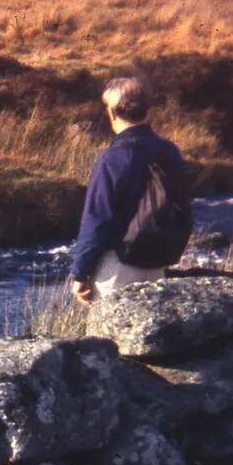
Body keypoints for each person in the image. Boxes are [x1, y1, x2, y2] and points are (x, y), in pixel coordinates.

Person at [70, 77, 190, 305]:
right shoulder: (170, 151)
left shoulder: (112, 159)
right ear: (147, 110)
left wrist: (80, 274)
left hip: (118, 267)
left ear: (113, 113)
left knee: (110, 339)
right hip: (158, 264)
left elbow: (97, 220)